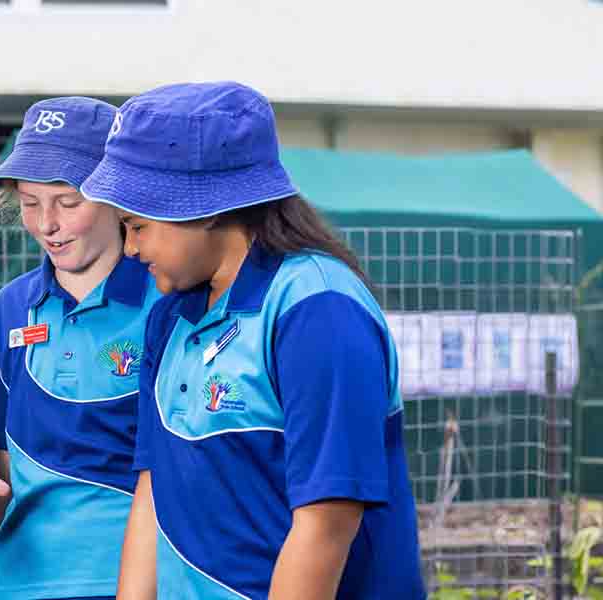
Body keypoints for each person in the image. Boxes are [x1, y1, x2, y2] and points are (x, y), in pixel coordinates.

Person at [93, 82, 426, 600]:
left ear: (202, 207)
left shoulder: (318, 309)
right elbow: (153, 489)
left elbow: (328, 519)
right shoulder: (169, 319)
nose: (129, 248)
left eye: (137, 226)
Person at [0, 97, 155, 600]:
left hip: (132, 583)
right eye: (30, 203)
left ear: (116, 199)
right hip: (18, 586)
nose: (46, 223)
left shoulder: (167, 303)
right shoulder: (12, 308)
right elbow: (1, 470)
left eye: (67, 202)